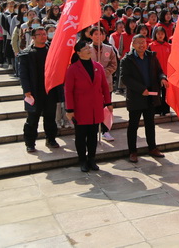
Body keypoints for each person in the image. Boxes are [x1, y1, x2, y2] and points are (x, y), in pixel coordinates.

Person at [64, 40, 112, 172]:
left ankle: (92, 159)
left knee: (92, 135)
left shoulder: (98, 67)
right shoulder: (73, 69)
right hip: (80, 108)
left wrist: (108, 103)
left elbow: (104, 86)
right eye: (85, 48)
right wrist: (70, 109)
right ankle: (82, 160)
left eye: (88, 48)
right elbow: (68, 90)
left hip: (96, 107)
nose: (89, 50)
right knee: (80, 136)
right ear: (79, 53)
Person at [120, 34, 168, 163]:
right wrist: (141, 89)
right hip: (136, 96)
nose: (142, 45)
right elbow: (125, 78)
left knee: (150, 124)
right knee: (133, 125)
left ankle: (152, 148)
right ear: (133, 44)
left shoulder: (151, 56)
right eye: (138, 42)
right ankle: (132, 151)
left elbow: (159, 71)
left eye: (143, 42)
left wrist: (162, 78)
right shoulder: (127, 59)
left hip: (150, 96)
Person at [19, 27, 59, 153]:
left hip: (49, 90)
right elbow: (23, 74)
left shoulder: (51, 50)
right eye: (40, 34)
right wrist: (26, 90)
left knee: (50, 117)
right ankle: (30, 143)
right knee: (32, 119)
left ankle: (51, 139)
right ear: (33, 37)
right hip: (34, 91)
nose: (43, 36)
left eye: (44, 34)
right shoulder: (26, 53)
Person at [88, 26, 117, 140]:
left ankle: (105, 130)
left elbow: (114, 64)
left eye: (101, 34)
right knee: (93, 107)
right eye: (95, 34)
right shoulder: (87, 49)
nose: (98, 36)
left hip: (106, 82)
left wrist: (103, 72)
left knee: (106, 107)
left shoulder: (109, 49)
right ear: (91, 36)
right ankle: (94, 130)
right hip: (91, 83)